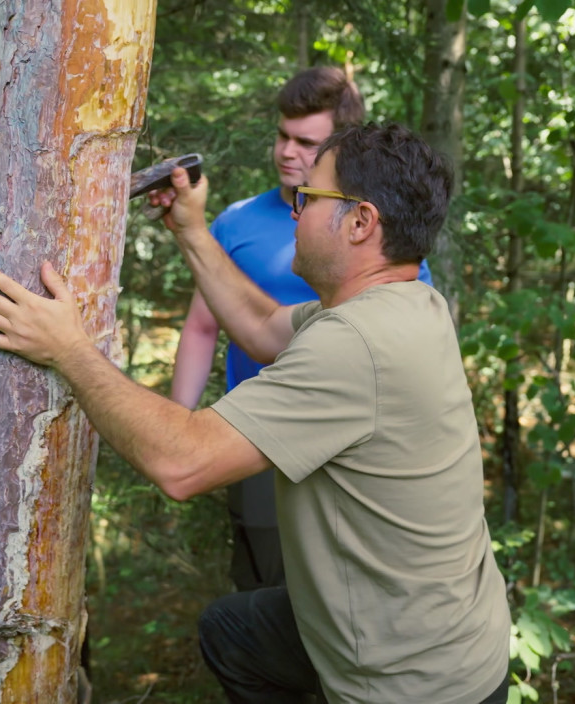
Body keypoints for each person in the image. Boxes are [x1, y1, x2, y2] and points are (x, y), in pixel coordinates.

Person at [0, 122, 511, 704]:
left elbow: (182, 463)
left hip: (418, 684)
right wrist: (193, 232)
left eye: (309, 198)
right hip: (447, 633)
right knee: (232, 631)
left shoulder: (358, 343)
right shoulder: (407, 304)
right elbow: (264, 327)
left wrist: (68, 349)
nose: (295, 212)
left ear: (360, 222)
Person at [172, 66, 434, 592]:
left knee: (335, 586)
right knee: (260, 591)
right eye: (283, 136)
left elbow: (401, 351)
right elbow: (206, 327)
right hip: (252, 437)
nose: (288, 152)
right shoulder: (237, 220)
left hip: (349, 449)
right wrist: (179, 422)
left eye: (307, 143)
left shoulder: (379, 239)